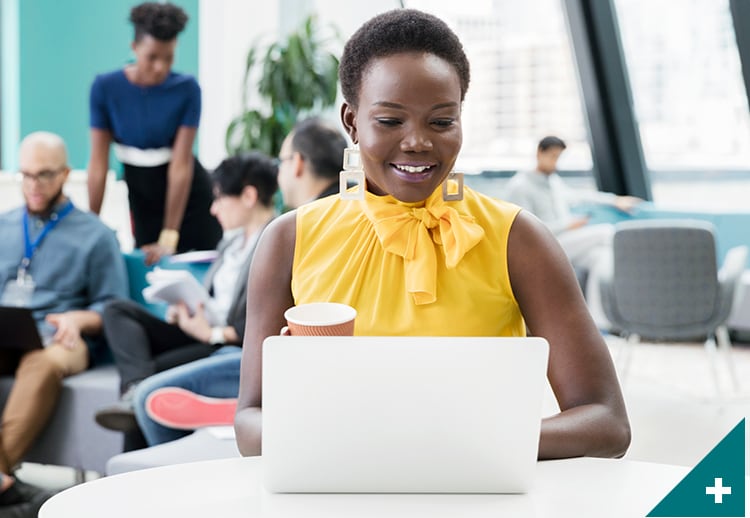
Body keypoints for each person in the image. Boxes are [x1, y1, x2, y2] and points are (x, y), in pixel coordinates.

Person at [234, 9, 631, 459]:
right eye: (390, 121)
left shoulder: (518, 238)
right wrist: (355, 441)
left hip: (480, 489)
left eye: (441, 122)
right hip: (337, 490)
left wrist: (450, 446)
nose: (417, 142)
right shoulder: (288, 240)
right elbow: (250, 422)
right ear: (351, 122)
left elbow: (606, 422)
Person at [117, 118, 348, 447]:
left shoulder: (300, 228)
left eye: (281, 162)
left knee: (152, 397)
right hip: (256, 352)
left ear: (296, 164)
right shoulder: (337, 216)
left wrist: (212, 333)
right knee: (145, 377)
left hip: (262, 357)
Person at [94, 152, 278, 434]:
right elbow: (214, 300)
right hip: (201, 329)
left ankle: (137, 396)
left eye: (219, 198)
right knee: (117, 310)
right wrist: (185, 309)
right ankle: (135, 390)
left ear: (248, 197)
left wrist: (212, 333)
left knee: (152, 374)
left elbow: (267, 317)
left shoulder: (274, 244)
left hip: (222, 343)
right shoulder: (230, 246)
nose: (213, 209)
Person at [0, 131, 128, 518]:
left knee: (43, 365)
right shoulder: (4, 226)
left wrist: (76, 318)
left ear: (65, 174)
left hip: (63, 337)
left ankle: (1, 472)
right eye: (25, 175)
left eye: (43, 175)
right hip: (8, 331)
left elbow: (112, 308)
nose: (33, 186)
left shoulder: (96, 235)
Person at [87, 2, 222, 265]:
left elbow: (181, 165)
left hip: (189, 197)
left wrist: (169, 236)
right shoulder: (105, 88)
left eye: (169, 58)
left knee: (198, 273)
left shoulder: (187, 89)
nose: (160, 67)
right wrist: (90, 225)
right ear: (134, 48)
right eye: (152, 57)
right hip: (141, 194)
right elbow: (98, 165)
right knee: (148, 267)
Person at [504, 136, 641, 274]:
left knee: (599, 257)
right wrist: (568, 224)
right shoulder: (520, 187)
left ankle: (595, 297)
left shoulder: (553, 182)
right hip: (546, 245)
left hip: (565, 240)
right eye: (553, 156)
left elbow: (579, 196)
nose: (555, 162)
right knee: (607, 232)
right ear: (539, 153)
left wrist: (615, 200)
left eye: (559, 157)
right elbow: (525, 231)